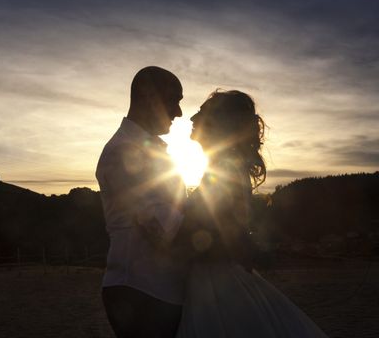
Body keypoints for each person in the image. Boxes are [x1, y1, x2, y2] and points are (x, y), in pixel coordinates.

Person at [174, 90, 327, 337]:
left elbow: (221, 240)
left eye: (201, 112)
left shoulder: (224, 169)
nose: (192, 117)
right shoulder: (223, 166)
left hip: (215, 286)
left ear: (219, 123)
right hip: (215, 281)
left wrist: (168, 239)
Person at [96, 66, 188, 338]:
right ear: (149, 96)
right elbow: (159, 228)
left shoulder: (148, 150)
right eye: (174, 100)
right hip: (140, 291)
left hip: (157, 290)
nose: (179, 112)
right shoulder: (123, 151)